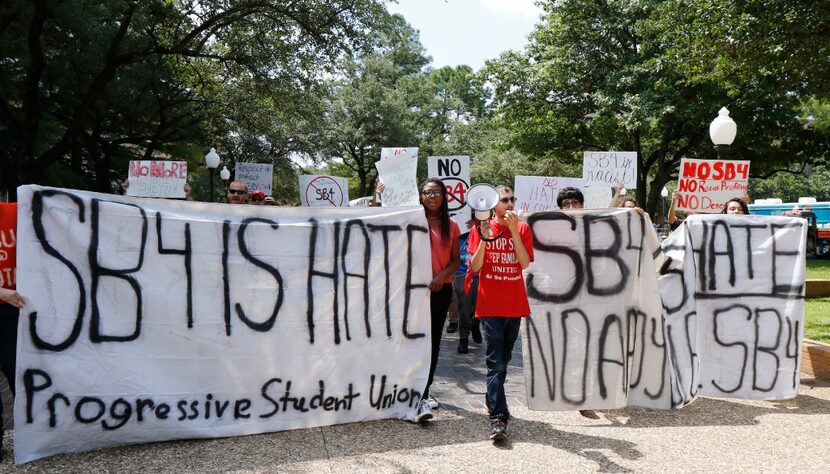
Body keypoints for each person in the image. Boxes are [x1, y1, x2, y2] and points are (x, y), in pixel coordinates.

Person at [469, 185, 533, 441]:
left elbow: (524, 262)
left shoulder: (524, 228)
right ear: (493, 205)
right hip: (490, 306)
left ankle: (492, 398)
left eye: (511, 199)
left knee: (504, 359)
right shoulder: (480, 229)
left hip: (514, 305)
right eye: (503, 200)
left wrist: (515, 231)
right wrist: (484, 238)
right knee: (495, 362)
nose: (508, 203)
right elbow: (475, 267)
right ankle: (498, 417)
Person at [416, 178, 461, 422]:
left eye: (437, 192)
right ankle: (409, 387)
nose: (432, 196)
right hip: (412, 292)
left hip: (439, 291)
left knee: (432, 341)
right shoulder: (411, 219)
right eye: (427, 192)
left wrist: (442, 276)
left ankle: (424, 391)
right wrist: (378, 196)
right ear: (420, 196)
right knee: (412, 339)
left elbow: (456, 260)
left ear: (444, 196)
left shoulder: (451, 225)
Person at [0, 202, 24, 462]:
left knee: (19, 372)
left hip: (15, 311)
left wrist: (131, 193)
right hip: (8, 301)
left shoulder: (17, 210)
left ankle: (32, 434)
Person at [454, 214, 482, 354]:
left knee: (481, 306)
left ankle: (475, 323)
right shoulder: (456, 233)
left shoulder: (483, 230)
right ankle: (463, 338)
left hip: (480, 275)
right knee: (464, 308)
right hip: (462, 274)